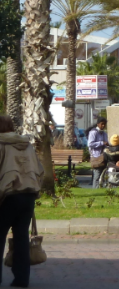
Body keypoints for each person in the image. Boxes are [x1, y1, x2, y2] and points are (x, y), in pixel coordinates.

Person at [0, 115, 44, 288]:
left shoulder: (2, 144)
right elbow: (39, 169)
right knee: (21, 237)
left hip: (7, 194)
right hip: (28, 194)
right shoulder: (27, 145)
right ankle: (21, 278)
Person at [87, 117, 108, 188]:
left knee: (103, 175)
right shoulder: (93, 132)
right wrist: (101, 143)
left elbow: (106, 143)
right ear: (98, 124)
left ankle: (101, 189)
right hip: (96, 157)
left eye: (104, 124)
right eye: (102, 124)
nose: (103, 126)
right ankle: (95, 189)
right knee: (97, 175)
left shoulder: (104, 133)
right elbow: (90, 144)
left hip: (103, 157)